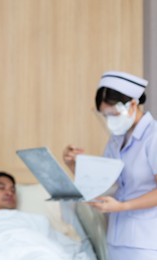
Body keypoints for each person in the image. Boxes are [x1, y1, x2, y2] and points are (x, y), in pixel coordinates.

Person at [63, 71, 157, 259]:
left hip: (146, 241)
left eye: (114, 114)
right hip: (116, 237)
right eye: (105, 116)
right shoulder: (116, 140)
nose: (110, 121)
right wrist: (74, 166)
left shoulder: (153, 136)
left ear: (132, 104)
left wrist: (123, 206)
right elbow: (105, 183)